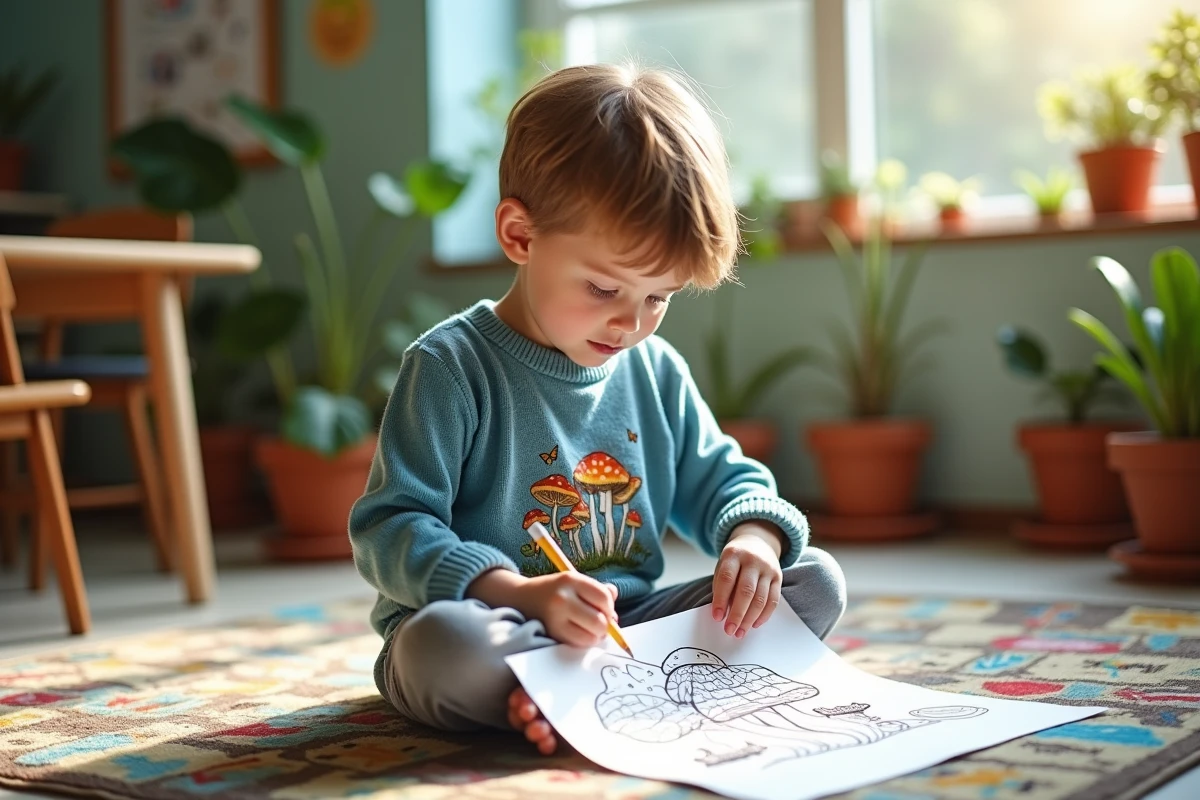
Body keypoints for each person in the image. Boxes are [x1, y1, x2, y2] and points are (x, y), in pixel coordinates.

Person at [349, 62, 846, 756]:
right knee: (441, 648)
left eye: (660, 297)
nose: (631, 324)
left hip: (624, 627)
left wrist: (753, 543)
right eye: (605, 288)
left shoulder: (652, 368)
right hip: (488, 620)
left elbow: (724, 481)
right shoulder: (449, 366)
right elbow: (389, 528)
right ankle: (553, 689)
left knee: (814, 583)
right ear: (521, 236)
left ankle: (563, 695)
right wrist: (520, 594)